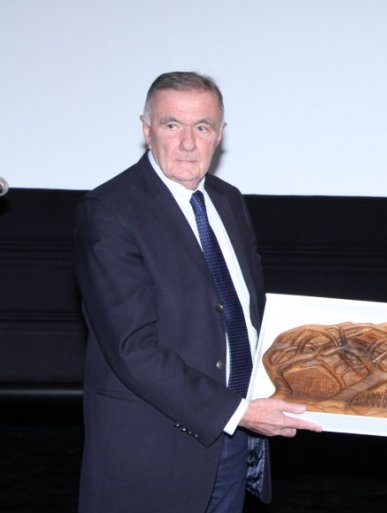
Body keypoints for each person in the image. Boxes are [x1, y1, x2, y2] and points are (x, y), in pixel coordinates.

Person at [74, 71, 322, 513]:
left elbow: (247, 316)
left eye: (202, 127)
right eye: (172, 125)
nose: (188, 143)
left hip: (234, 443)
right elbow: (133, 349)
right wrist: (236, 412)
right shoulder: (110, 211)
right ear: (147, 130)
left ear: (219, 135)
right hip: (153, 449)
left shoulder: (228, 201)